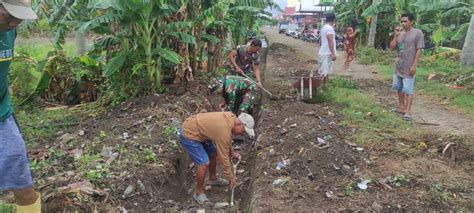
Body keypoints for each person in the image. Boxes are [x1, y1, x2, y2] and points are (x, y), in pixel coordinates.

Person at [0, 0, 41, 212]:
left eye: (20, 18)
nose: (15, 22)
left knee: (23, 184)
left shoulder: (8, 32)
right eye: (9, 16)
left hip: (2, 115)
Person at [178, 112, 255, 204]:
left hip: (201, 131)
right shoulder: (224, 130)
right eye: (243, 130)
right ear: (239, 124)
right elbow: (223, 157)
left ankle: (213, 178)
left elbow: (228, 139)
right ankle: (198, 193)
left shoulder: (231, 118)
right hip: (190, 133)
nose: (243, 134)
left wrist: (232, 153)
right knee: (203, 163)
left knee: (213, 152)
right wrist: (230, 178)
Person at [389, 13, 424, 121]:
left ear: (411, 22)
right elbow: (392, 47)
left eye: (405, 21)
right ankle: (401, 107)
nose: (403, 23)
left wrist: (414, 65)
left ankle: (408, 111)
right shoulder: (400, 34)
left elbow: (419, 50)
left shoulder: (417, 33)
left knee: (408, 89)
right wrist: (396, 35)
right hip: (399, 66)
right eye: (402, 21)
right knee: (399, 87)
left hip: (409, 67)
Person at [317, 12, 337, 85]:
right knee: (324, 72)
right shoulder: (329, 29)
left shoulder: (325, 27)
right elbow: (330, 41)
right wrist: (333, 53)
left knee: (324, 71)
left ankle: (324, 86)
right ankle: (323, 87)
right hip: (327, 53)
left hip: (323, 52)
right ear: (334, 19)